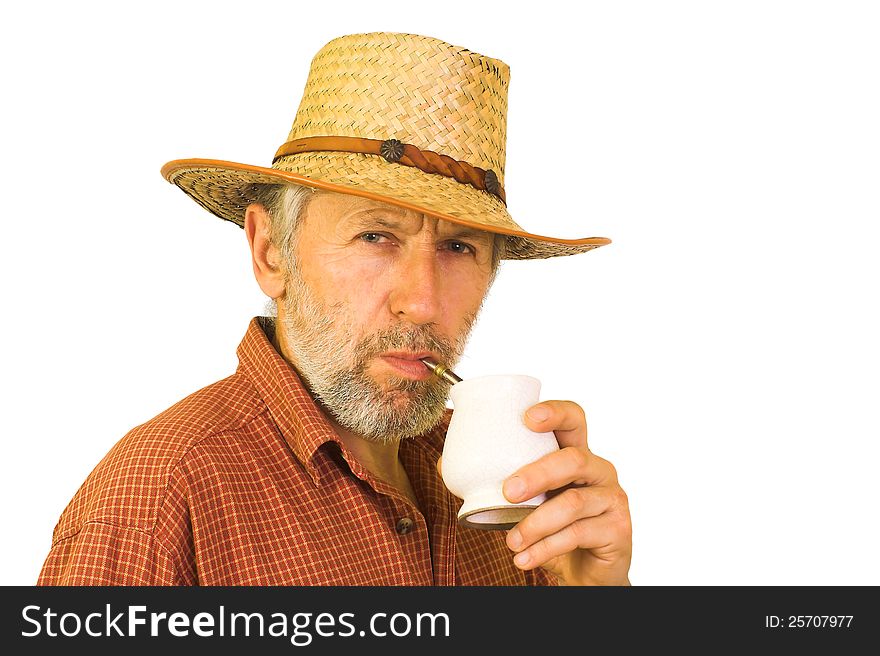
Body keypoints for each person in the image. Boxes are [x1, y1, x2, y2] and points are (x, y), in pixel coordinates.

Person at [38, 32, 632, 586]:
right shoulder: (158, 500)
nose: (422, 302)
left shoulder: (502, 489)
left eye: (458, 247)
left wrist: (594, 601)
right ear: (271, 252)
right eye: (375, 236)